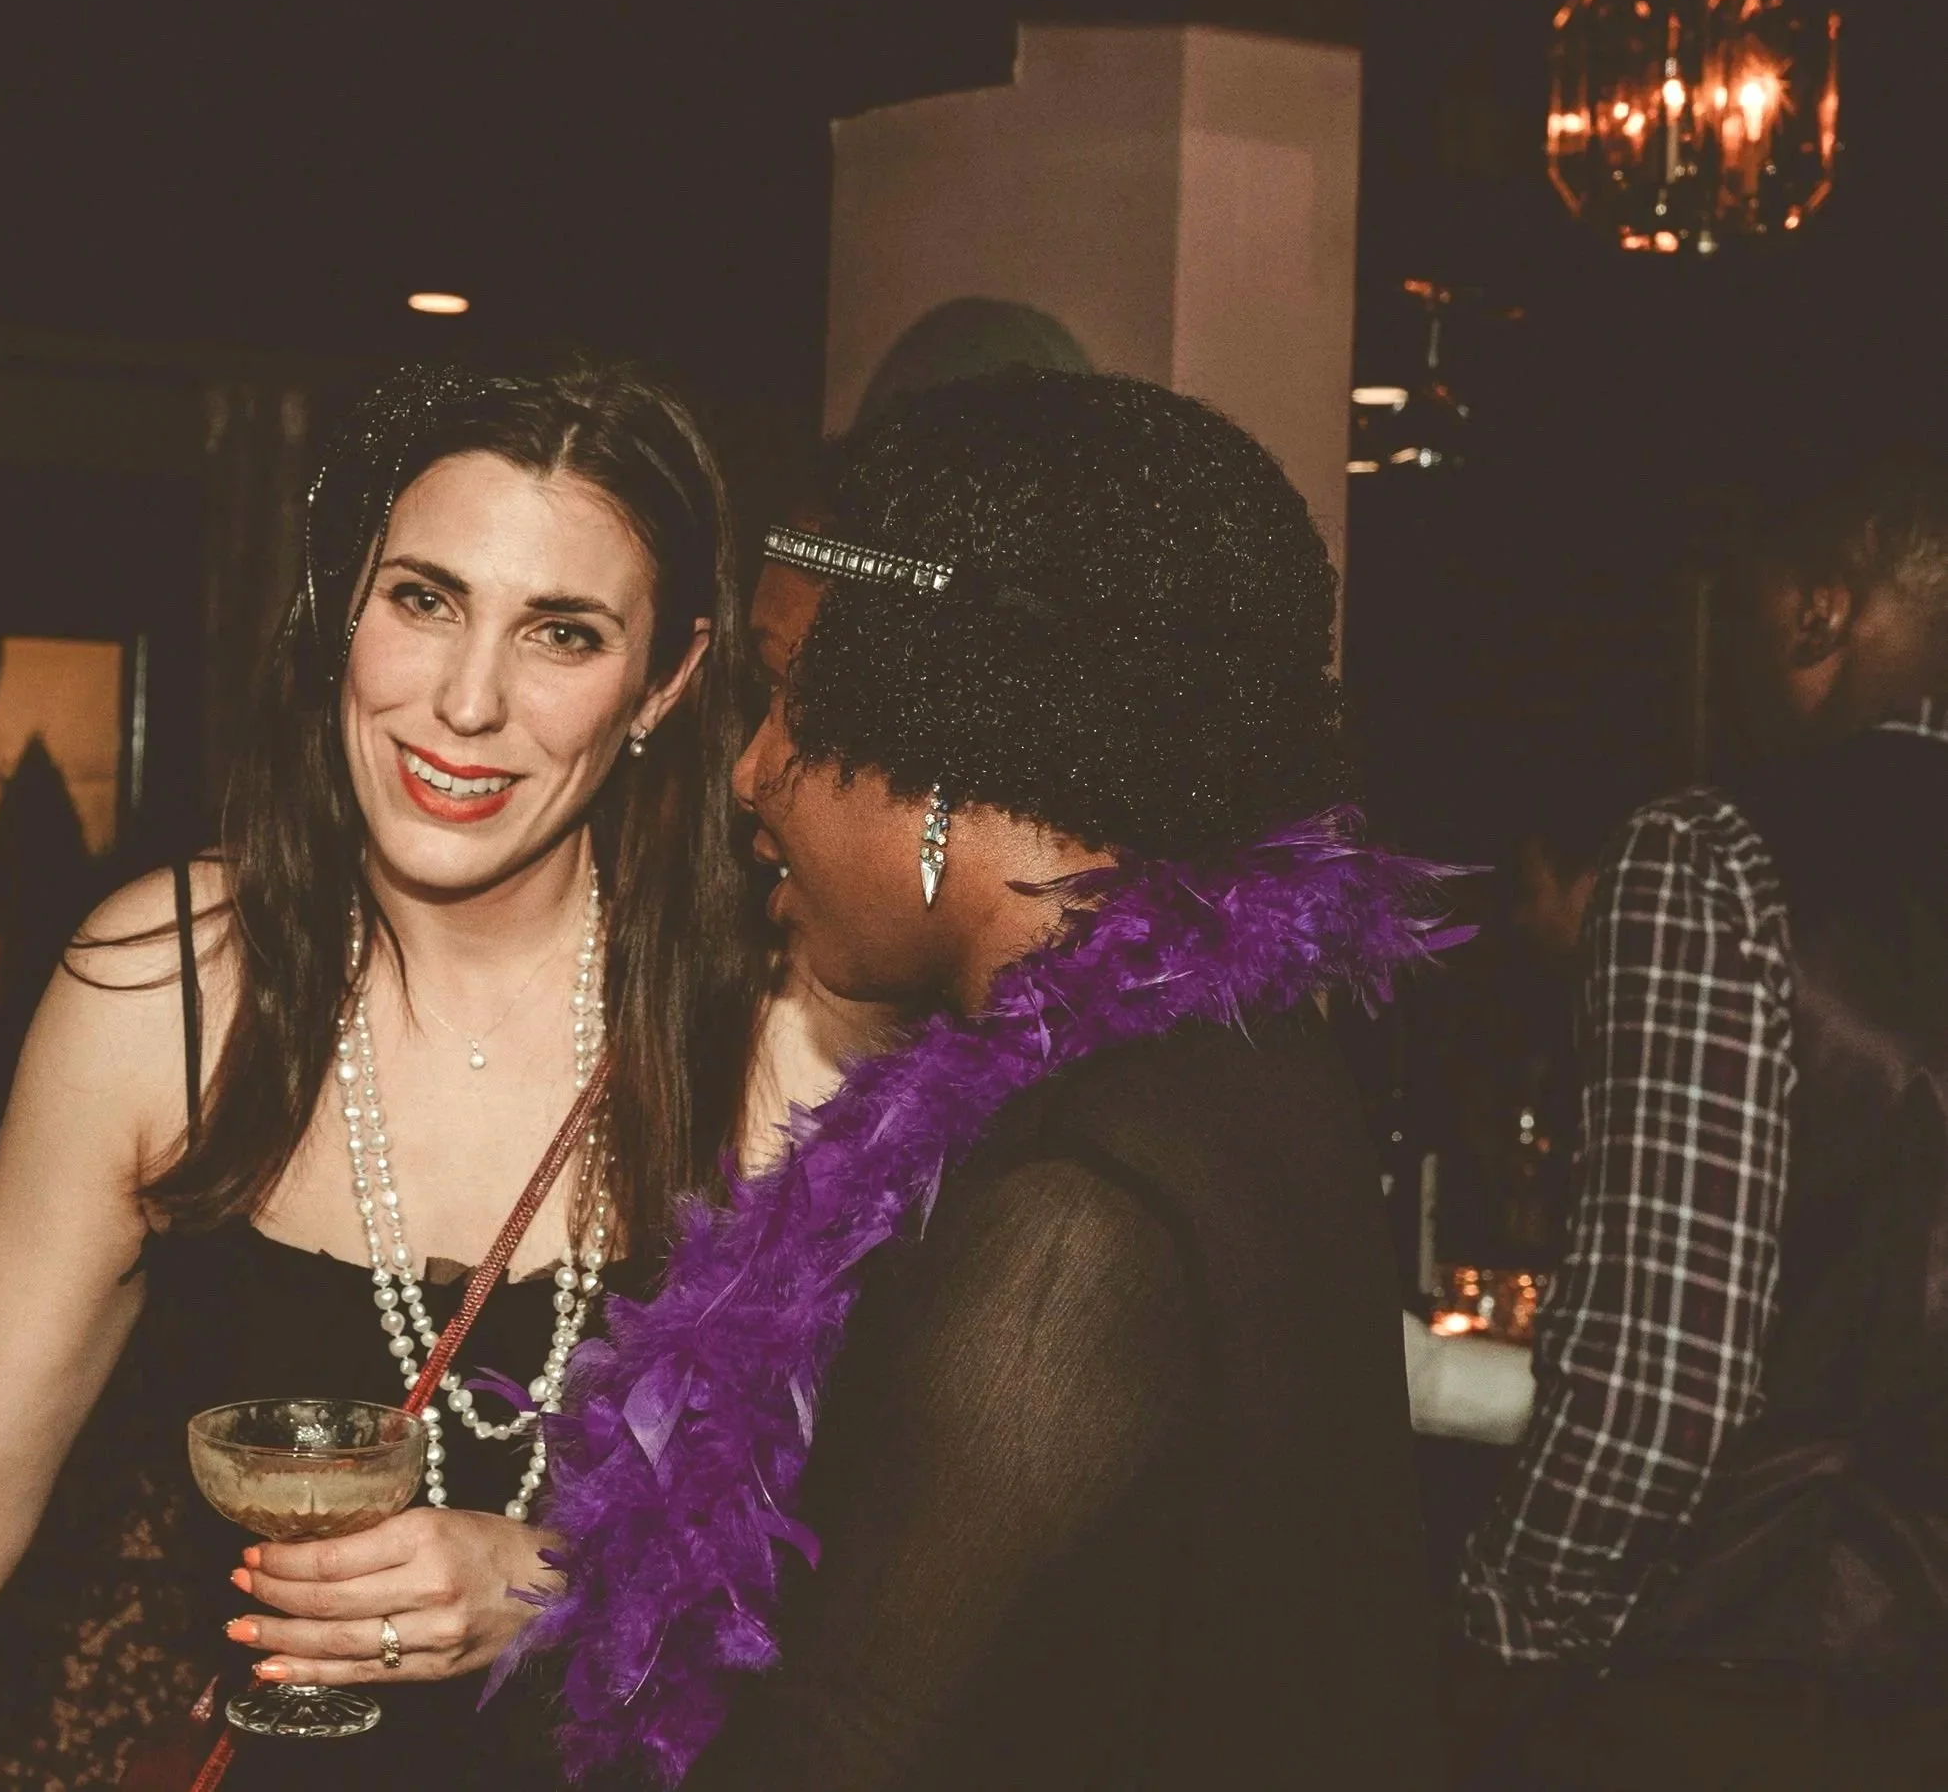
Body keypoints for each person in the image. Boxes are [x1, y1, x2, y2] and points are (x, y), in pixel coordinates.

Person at [0, 363, 767, 1790]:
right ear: (343, 610)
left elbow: (898, 1572)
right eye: (424, 598)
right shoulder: (167, 986)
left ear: (667, 681)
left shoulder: (769, 1025)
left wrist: (565, 1577)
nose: (467, 700)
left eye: (564, 633)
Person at [528, 368, 1453, 1789]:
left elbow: (837, 1749)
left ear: (939, 724)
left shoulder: (1076, 1213)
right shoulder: (1230, 1049)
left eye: (784, 696)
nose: (750, 770)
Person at [1452, 460, 1948, 1789]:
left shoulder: (1713, 861)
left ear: (1814, 612)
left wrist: (1492, 1637)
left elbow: (1663, 1374)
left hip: (1759, 1682)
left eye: (1734, 609)